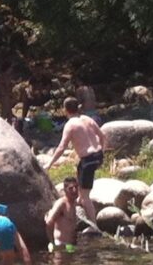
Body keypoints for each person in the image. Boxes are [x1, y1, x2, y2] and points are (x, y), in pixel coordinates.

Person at [44, 97, 107, 229]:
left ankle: (94, 226)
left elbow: (62, 147)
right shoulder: (88, 119)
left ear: (65, 110)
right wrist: (102, 154)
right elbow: (102, 136)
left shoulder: (70, 125)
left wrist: (49, 163)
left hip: (88, 159)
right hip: (97, 155)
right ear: (77, 108)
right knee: (79, 169)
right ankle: (78, 202)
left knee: (85, 196)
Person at [45, 177, 79, 253]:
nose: (74, 190)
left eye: (76, 187)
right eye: (71, 188)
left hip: (69, 245)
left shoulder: (73, 203)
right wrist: (53, 243)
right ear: (65, 190)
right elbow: (48, 223)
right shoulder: (61, 204)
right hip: (60, 245)